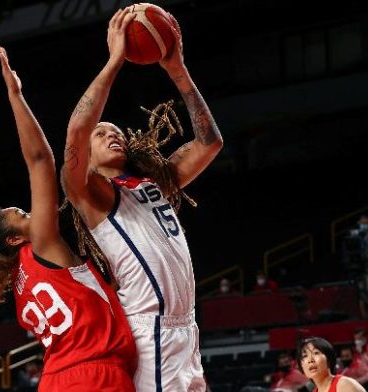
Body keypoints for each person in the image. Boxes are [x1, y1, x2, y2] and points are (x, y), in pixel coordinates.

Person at [60, 7, 223, 391]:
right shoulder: (91, 192)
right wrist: (115, 61)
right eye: (102, 134)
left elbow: (210, 142)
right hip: (151, 330)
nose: (111, 134)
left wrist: (177, 70)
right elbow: (76, 131)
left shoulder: (151, 183)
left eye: (116, 131)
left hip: (187, 329)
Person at [0, 45, 136, 390]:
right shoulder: (40, 245)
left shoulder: (20, 283)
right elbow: (41, 160)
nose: (33, 213)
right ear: (15, 239)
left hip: (57, 378)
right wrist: (15, 95)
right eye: (22, 214)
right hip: (92, 375)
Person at [297, 337, 366, 392]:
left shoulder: (344, 385)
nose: (310, 360)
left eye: (316, 353)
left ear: (329, 359)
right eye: (305, 356)